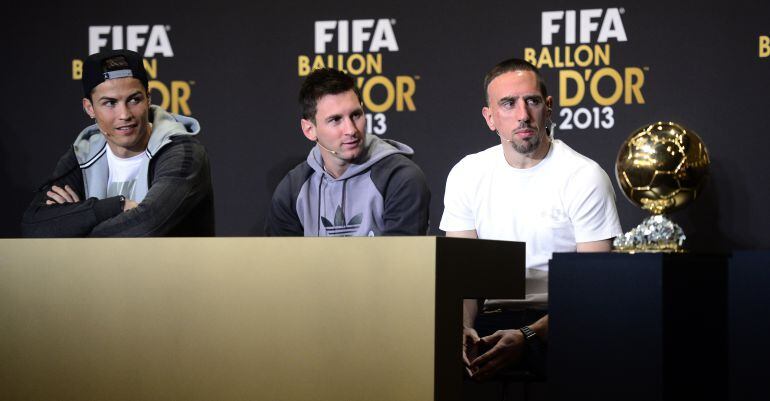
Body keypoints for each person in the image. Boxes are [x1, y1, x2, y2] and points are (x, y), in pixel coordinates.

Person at [440, 58, 622, 380]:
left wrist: (528, 335)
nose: (523, 115)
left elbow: (595, 289)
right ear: (490, 118)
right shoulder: (466, 174)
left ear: (548, 107)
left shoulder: (584, 176)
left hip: (563, 321)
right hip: (488, 317)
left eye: (532, 101)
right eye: (508, 104)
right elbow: (462, 280)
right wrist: (464, 327)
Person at [21, 49, 214, 237]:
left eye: (134, 100)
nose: (124, 115)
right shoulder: (83, 154)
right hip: (100, 270)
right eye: (110, 103)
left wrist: (72, 225)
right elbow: (34, 225)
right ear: (89, 108)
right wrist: (117, 206)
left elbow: (146, 226)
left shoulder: (183, 152)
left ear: (148, 98)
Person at [266, 68, 429, 236]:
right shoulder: (292, 189)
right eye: (335, 120)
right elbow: (282, 260)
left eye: (356, 115)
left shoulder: (400, 178)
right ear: (309, 130)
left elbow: (404, 259)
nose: (351, 130)